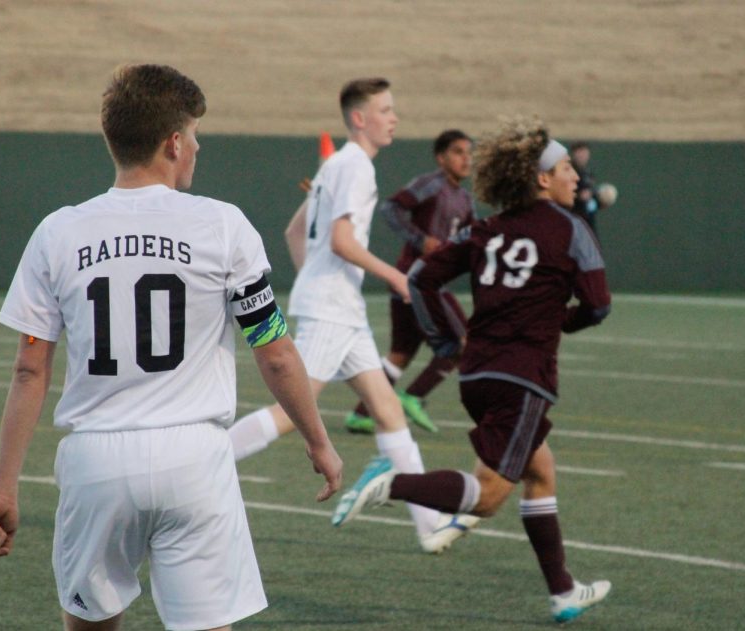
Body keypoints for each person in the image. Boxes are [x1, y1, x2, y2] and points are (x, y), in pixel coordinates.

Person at [0, 64, 342, 631]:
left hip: (96, 461)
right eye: (193, 135)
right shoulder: (223, 225)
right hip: (194, 460)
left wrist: (3, 487)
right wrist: (318, 440)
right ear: (173, 143)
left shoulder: (58, 232)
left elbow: (29, 370)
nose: (196, 146)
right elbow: (273, 349)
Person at [331, 115, 613, 623]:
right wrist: (558, 321)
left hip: (477, 373)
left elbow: (420, 281)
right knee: (484, 499)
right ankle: (394, 482)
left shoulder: (488, 228)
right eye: (567, 167)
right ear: (542, 178)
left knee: (540, 470)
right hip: (524, 377)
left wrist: (443, 340)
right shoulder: (572, 229)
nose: (576, 176)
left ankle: (564, 591)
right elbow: (597, 306)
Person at [228, 77, 478, 554]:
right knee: (291, 414)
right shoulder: (356, 166)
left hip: (341, 307)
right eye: (385, 110)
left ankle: (429, 526)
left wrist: (316, 281)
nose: (394, 118)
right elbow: (341, 242)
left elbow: (294, 232)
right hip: (333, 311)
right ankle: (200, 466)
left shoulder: (336, 165)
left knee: (387, 411)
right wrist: (400, 278)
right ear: (359, 118)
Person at [343, 129, 476, 435]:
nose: (466, 158)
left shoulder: (466, 199)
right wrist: (420, 239)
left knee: (400, 354)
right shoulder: (430, 184)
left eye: (469, 153)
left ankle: (361, 414)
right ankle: (413, 396)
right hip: (417, 280)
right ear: (441, 158)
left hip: (423, 283)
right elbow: (391, 208)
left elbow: (471, 239)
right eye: (458, 152)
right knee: (463, 343)